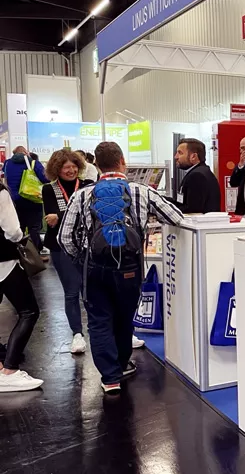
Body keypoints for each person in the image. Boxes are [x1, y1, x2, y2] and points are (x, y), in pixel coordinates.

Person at [58, 142, 184, 394]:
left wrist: (83, 259)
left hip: (95, 268)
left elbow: (64, 238)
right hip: (130, 267)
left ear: (96, 165)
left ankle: (110, 378)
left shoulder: (82, 194)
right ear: (122, 162)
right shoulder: (140, 190)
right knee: (125, 318)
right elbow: (176, 218)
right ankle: (123, 364)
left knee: (99, 320)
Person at [42, 150, 93, 354]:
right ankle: (77, 334)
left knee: (91, 291)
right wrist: (68, 214)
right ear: (57, 169)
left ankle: (99, 330)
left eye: (73, 166)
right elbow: (51, 220)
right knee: (72, 292)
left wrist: (61, 215)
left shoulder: (88, 185)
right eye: (66, 167)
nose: (71, 170)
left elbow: (61, 217)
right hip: (60, 246)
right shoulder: (49, 189)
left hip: (87, 245)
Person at [0, 181, 43, 392]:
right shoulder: (0, 193)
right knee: (29, 312)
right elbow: (13, 231)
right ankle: (10, 370)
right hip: (3, 262)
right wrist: (20, 240)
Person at [1, 146, 48, 253]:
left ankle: (20, 251)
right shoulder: (33, 162)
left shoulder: (7, 163)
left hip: (14, 200)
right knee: (34, 227)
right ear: (25, 152)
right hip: (32, 198)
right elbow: (45, 178)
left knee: (19, 226)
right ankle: (37, 252)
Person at [171, 138, 221, 214]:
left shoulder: (197, 175)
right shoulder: (199, 172)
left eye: (180, 153)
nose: (176, 157)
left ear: (193, 156)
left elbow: (192, 209)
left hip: (201, 224)